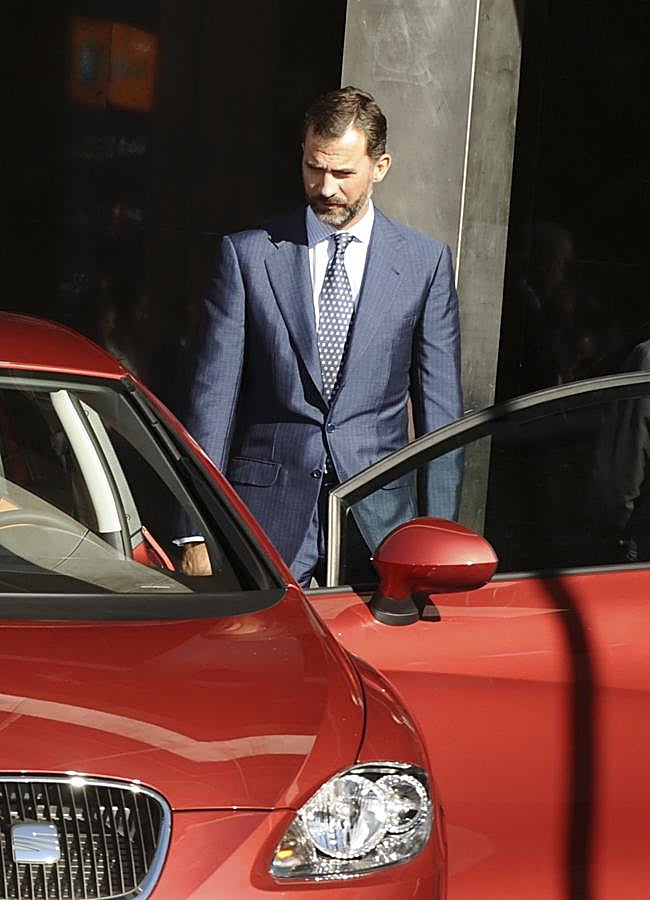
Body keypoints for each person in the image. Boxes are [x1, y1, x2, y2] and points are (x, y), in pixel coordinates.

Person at [181, 86, 463, 586]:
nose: (326, 187)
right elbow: (213, 402)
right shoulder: (249, 257)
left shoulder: (424, 264)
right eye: (315, 168)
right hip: (264, 523)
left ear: (381, 166)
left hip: (380, 528)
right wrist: (197, 530)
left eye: (343, 173)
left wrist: (439, 535)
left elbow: (441, 416)